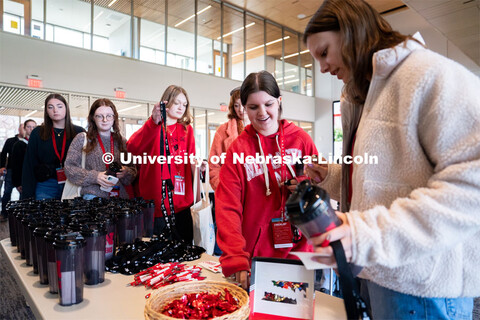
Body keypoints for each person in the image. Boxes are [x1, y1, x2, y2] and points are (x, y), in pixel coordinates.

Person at [303, 0, 480, 319]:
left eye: (324, 52)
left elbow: (472, 183)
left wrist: (363, 234)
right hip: (382, 271)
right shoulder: (372, 94)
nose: (323, 68)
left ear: (351, 33)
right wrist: (330, 176)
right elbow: (385, 179)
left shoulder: (424, 73)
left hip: (423, 285)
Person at [215, 71, 318, 290]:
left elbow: (320, 189)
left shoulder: (301, 140)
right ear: (243, 108)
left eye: (268, 104)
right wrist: (235, 256)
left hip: (299, 255)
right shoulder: (238, 150)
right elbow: (227, 208)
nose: (262, 113)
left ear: (279, 102)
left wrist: (304, 187)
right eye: (253, 107)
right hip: (256, 259)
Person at [127, 85, 197, 243]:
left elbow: (190, 158)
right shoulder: (153, 127)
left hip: (182, 201)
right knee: (160, 254)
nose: (181, 107)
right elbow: (132, 147)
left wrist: (198, 166)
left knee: (184, 251)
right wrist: (153, 122)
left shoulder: (187, 130)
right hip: (158, 202)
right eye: (177, 102)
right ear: (167, 102)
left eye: (184, 104)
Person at [64, 99, 136, 199]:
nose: (105, 120)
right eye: (99, 116)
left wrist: (125, 172)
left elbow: (133, 172)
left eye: (109, 116)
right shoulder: (83, 139)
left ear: (114, 118)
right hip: (93, 196)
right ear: (93, 118)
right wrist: (95, 177)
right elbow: (69, 168)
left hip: (119, 198)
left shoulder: (122, 141)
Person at [22, 93, 85, 200]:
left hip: (72, 183)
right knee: (44, 216)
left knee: (70, 216)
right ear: (46, 111)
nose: (55, 110)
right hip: (46, 184)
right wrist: (27, 193)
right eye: (50, 107)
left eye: (59, 106)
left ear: (66, 109)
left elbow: (85, 161)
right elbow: (30, 163)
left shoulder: (79, 132)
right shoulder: (38, 132)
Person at [208, 87, 249, 191]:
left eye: (243, 104)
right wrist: (222, 187)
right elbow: (213, 164)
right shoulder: (223, 130)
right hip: (231, 191)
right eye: (236, 105)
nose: (240, 109)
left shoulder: (262, 128)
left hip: (256, 193)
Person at [0, 124, 25, 221]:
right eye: (24, 127)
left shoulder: (29, 142)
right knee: (7, 192)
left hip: (24, 171)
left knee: (23, 193)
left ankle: (21, 214)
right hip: (11, 170)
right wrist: (2, 166)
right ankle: (4, 213)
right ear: (19, 129)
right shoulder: (10, 141)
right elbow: (3, 154)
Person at [11, 119, 37, 198]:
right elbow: (15, 165)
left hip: (37, 179)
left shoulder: (38, 143)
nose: (31, 129)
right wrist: (18, 183)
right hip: (24, 179)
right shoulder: (19, 145)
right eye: (29, 127)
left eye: (33, 127)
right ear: (24, 128)